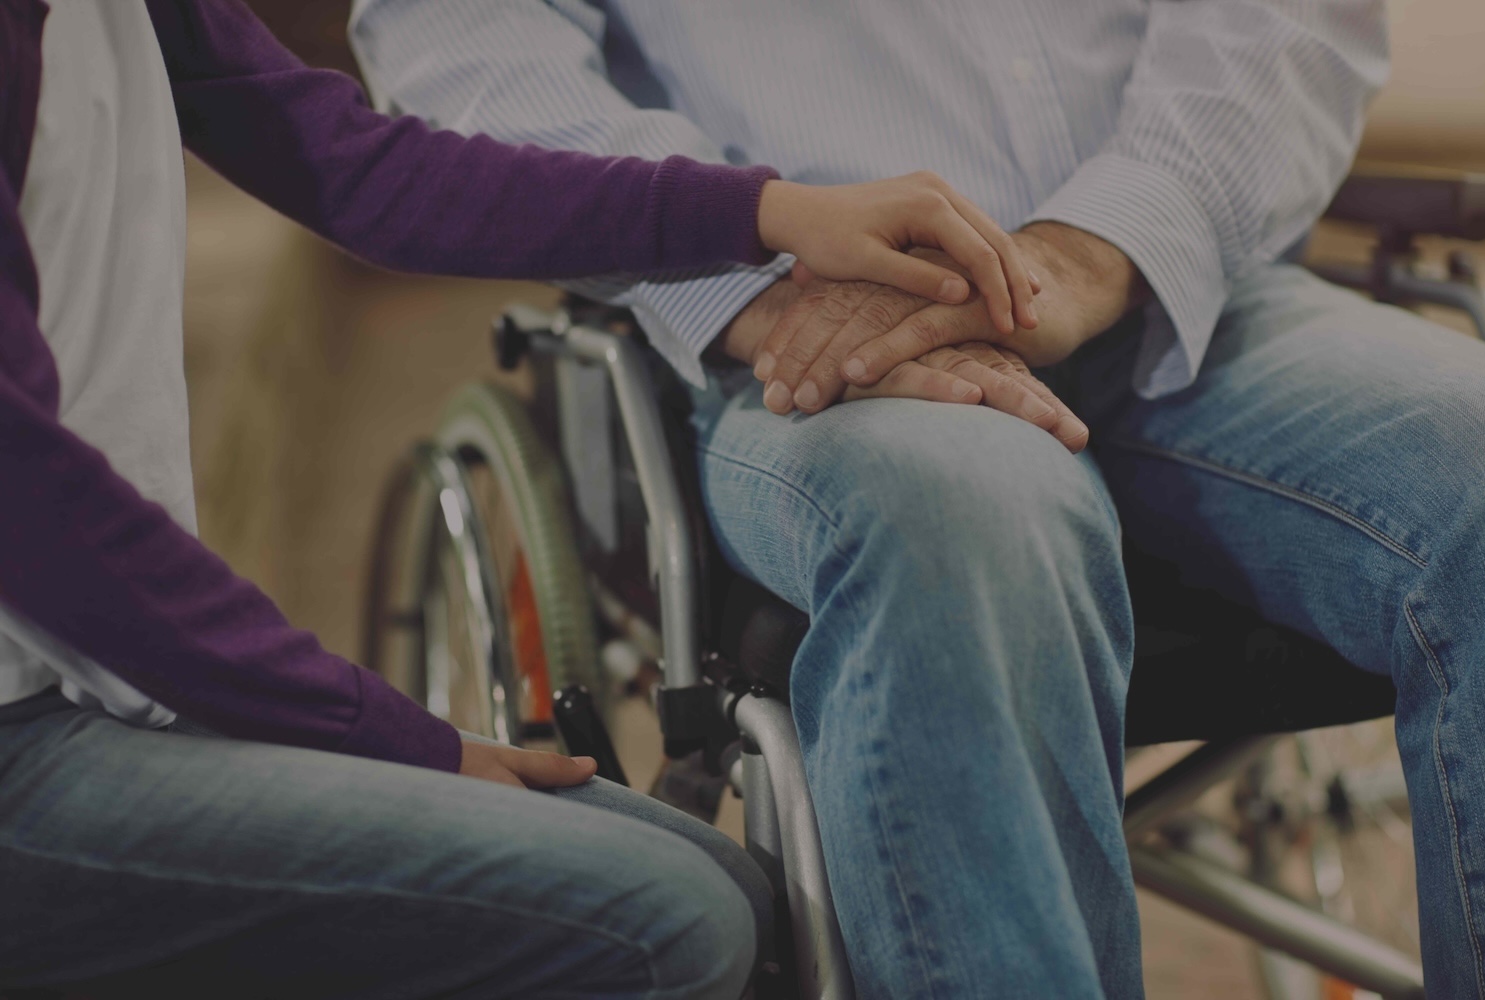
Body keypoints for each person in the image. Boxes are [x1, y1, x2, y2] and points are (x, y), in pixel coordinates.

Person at [350, 3, 1485, 998]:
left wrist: (1104, 241)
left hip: (1170, 277)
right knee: (961, 517)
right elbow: (460, 29)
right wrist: (746, 261)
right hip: (797, 315)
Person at [0, 1, 1044, 996]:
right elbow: (33, 510)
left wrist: (769, 214)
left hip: (86, 687)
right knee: (667, 923)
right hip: (28, 731)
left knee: (721, 879)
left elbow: (364, 170)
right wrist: (380, 730)